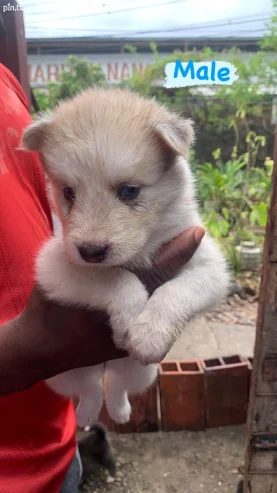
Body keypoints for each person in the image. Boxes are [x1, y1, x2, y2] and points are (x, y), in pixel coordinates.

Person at [0, 62, 205, 493]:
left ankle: (114, 396)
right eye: (69, 194)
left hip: (56, 453)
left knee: (140, 372)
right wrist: (118, 289)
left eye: (128, 192)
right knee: (74, 380)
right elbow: (53, 267)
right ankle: (92, 395)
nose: (90, 237)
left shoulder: (6, 82)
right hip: (16, 465)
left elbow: (210, 275)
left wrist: (164, 312)